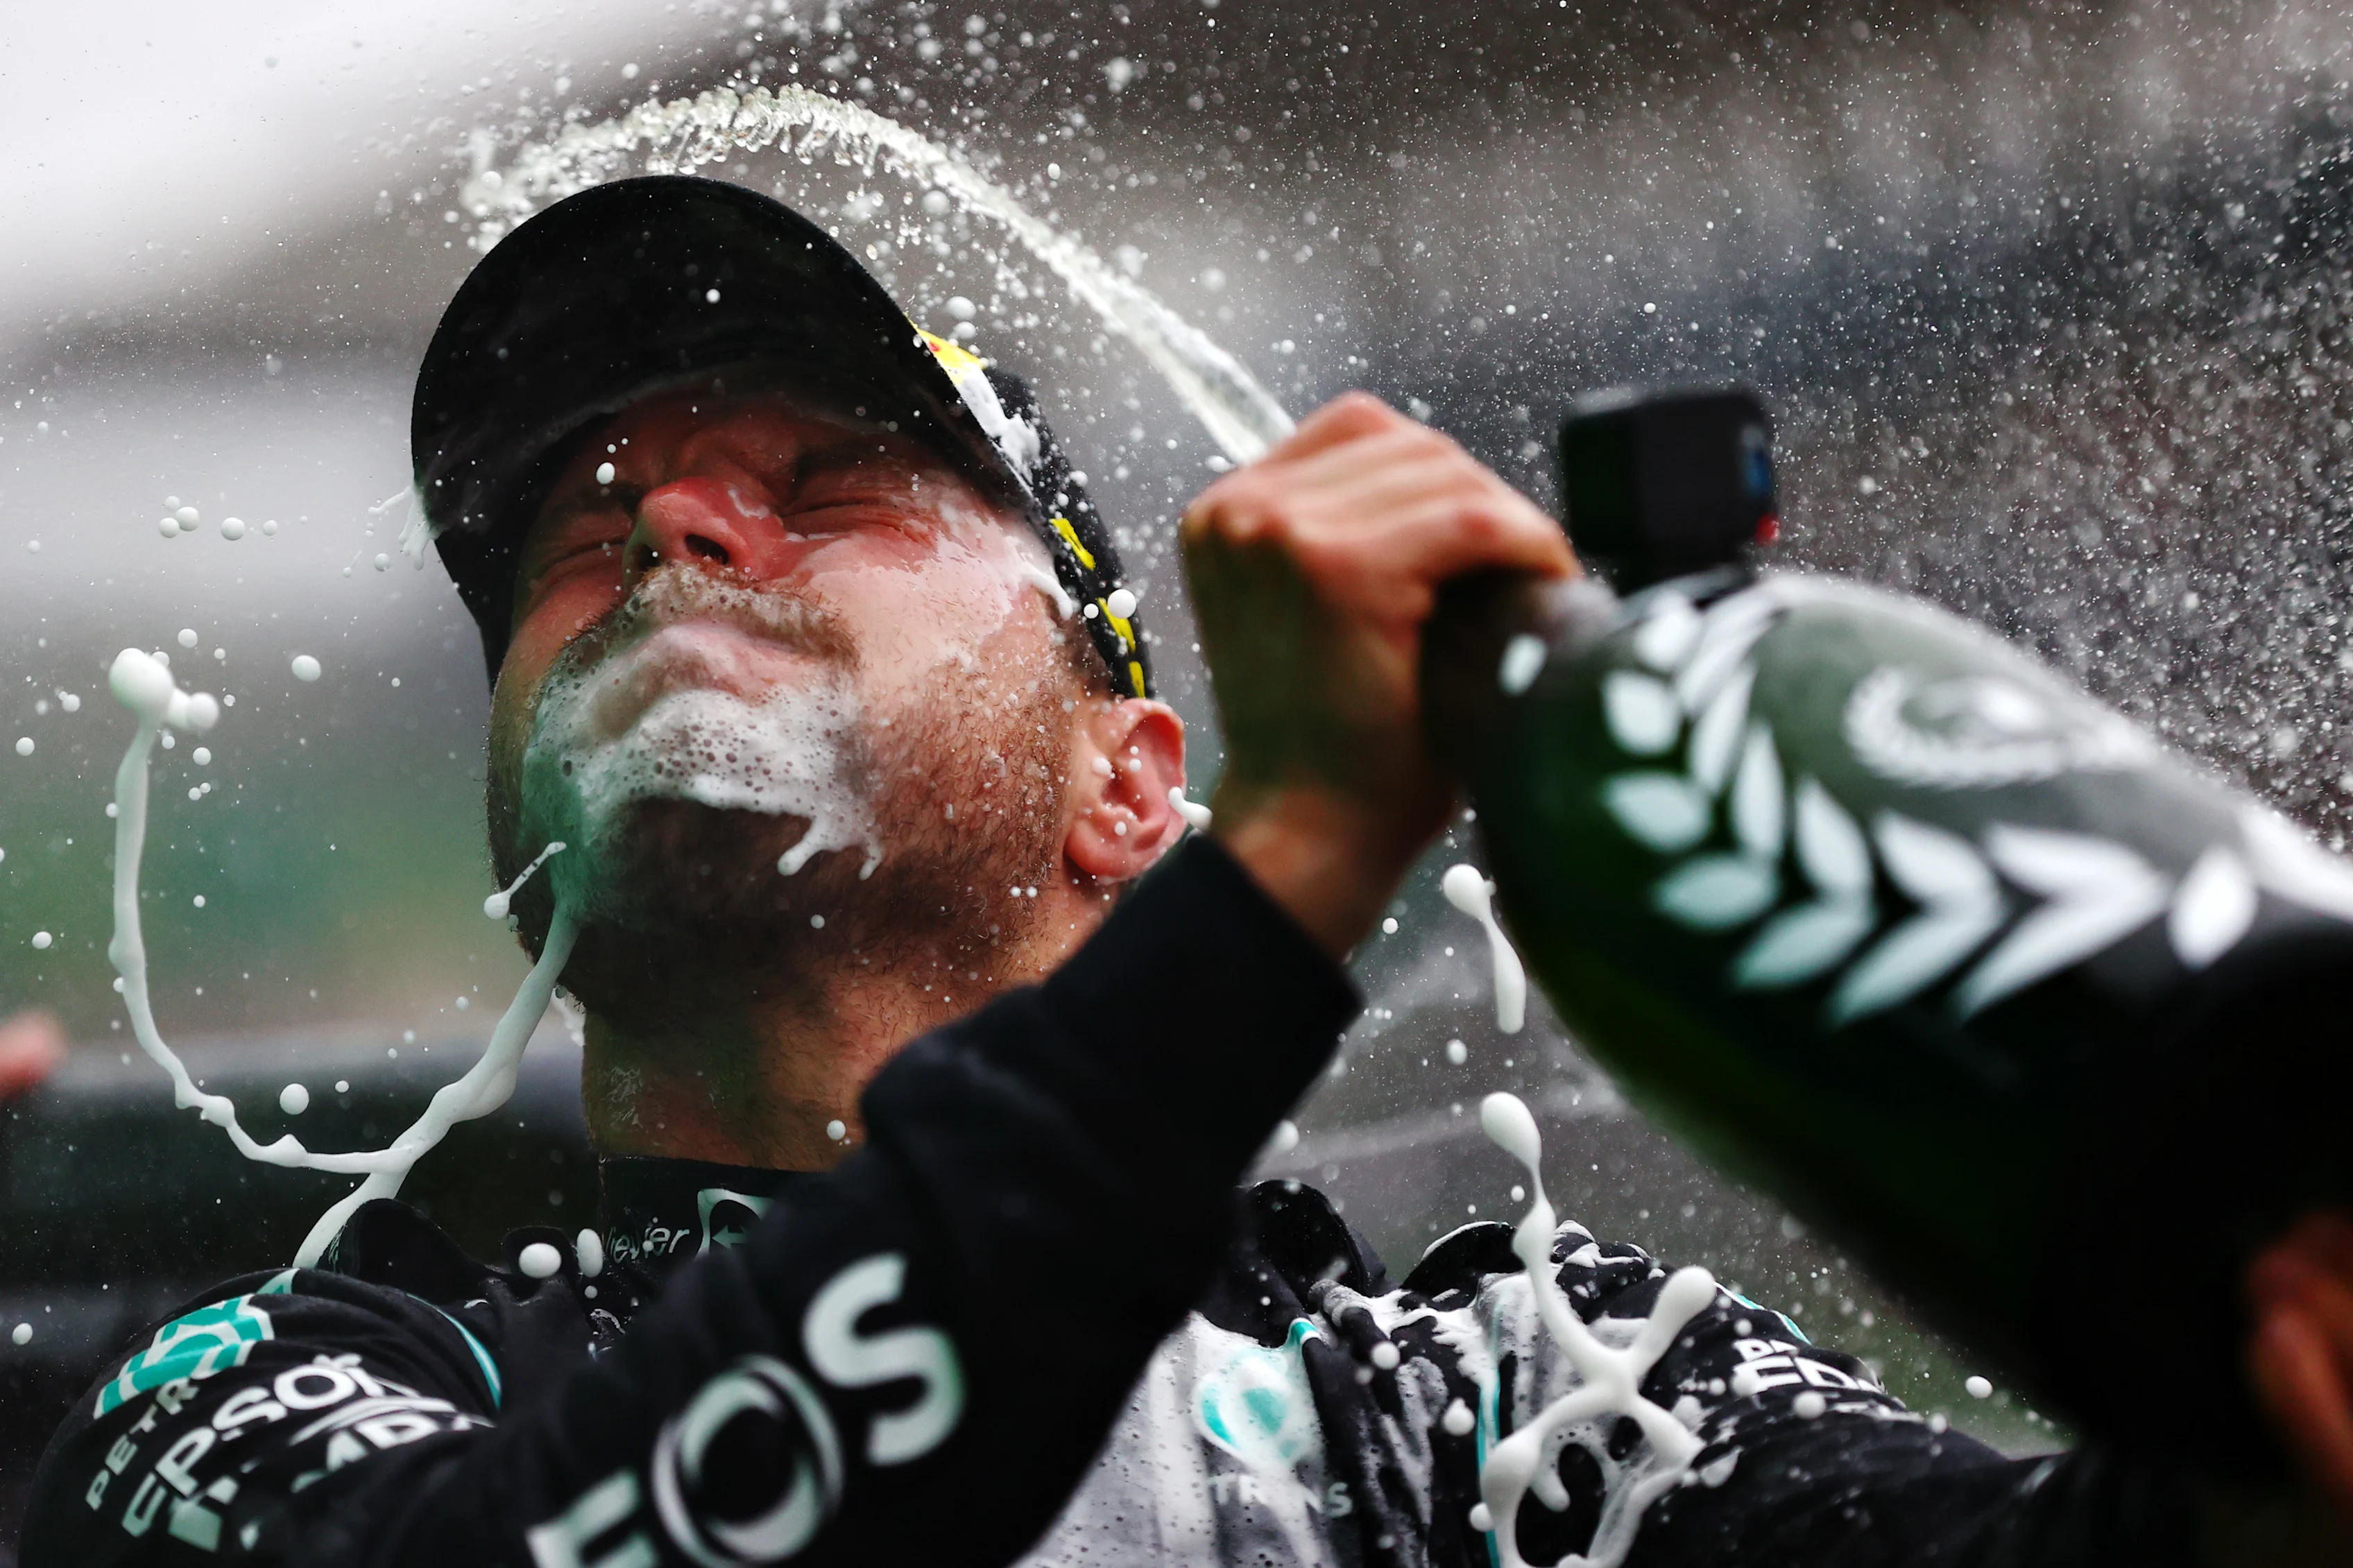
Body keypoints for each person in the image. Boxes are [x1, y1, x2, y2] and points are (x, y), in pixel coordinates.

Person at [21, 175, 2353, 1568]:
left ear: (1130, 781)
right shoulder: (258, 1390)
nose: (659, 522)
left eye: (824, 473)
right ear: (527, 868)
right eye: (570, 533)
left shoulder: (1506, 1401)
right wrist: (1301, 868)